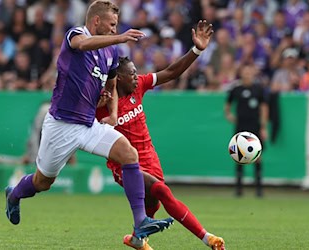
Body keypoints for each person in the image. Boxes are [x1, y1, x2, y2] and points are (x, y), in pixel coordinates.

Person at [4, 0, 173, 242]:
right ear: (96, 21)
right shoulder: (76, 34)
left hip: (88, 125)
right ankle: (14, 195)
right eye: (112, 24)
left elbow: (112, 85)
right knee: (43, 181)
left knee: (129, 153)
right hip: (61, 125)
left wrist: (112, 111)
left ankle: (140, 222)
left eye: (117, 26)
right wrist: (120, 38)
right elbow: (82, 45)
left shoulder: (111, 51)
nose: (115, 29)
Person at [96, 20, 225, 250]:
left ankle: (137, 239)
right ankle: (208, 238)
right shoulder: (102, 104)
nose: (137, 76)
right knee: (162, 191)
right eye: (132, 74)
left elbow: (171, 72)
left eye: (136, 73)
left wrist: (197, 50)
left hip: (149, 157)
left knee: (152, 204)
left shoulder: (139, 86)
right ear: (119, 78)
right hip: (124, 164)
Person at [224, 64, 268, 197]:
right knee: (238, 155)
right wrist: (229, 115)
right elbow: (228, 104)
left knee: (258, 156)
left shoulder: (258, 89)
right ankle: (239, 189)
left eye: (250, 72)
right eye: (245, 71)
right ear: (241, 73)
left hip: (254, 126)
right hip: (241, 127)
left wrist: (263, 126)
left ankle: (259, 189)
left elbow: (264, 107)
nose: (247, 74)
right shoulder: (236, 89)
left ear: (253, 73)